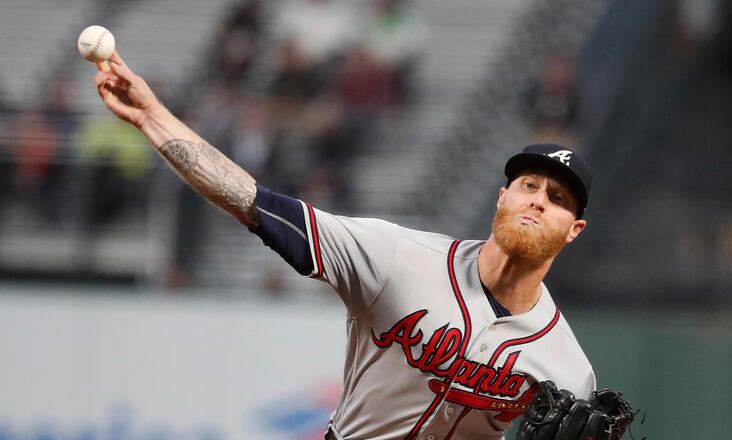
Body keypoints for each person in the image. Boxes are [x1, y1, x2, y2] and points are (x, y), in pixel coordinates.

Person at [92, 52, 597, 440]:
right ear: (502, 197)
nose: (537, 201)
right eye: (528, 186)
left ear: (574, 229)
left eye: (556, 198)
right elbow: (255, 202)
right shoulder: (396, 257)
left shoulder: (569, 371)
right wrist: (152, 117)